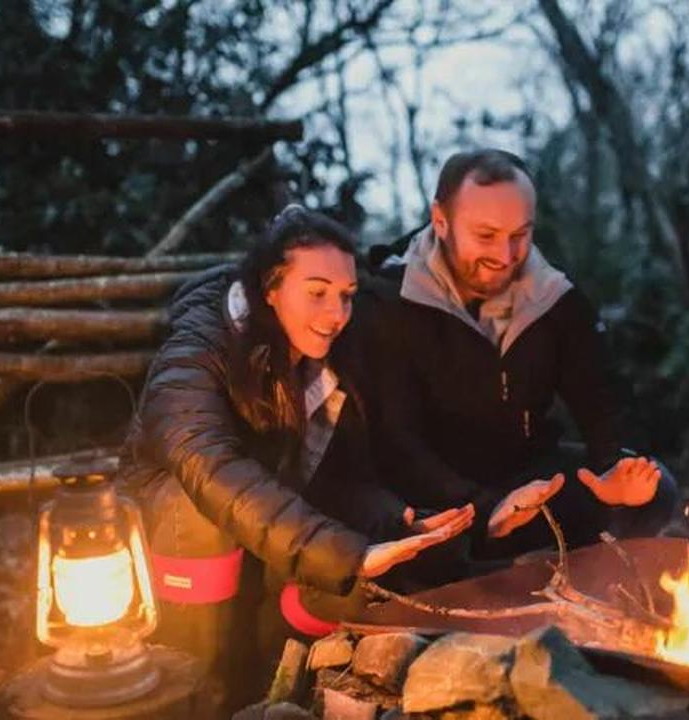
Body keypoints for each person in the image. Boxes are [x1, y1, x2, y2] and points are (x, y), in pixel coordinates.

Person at [116, 205, 474, 717]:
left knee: (352, 586)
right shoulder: (198, 346)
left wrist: (398, 522)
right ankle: (195, 689)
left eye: (347, 297)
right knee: (195, 512)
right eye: (318, 291)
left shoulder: (321, 366)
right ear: (269, 288)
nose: (336, 313)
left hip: (264, 517)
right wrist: (343, 553)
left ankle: (267, 678)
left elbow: (341, 478)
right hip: (170, 525)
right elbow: (206, 462)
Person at [365, 149, 676, 566]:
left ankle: (571, 580)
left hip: (530, 483)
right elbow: (397, 443)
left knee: (656, 490)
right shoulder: (388, 302)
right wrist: (488, 507)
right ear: (441, 221)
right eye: (486, 236)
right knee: (414, 533)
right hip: (440, 498)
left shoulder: (553, 298)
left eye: (520, 234)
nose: (507, 255)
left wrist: (613, 468)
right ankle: (494, 567)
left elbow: (602, 400)